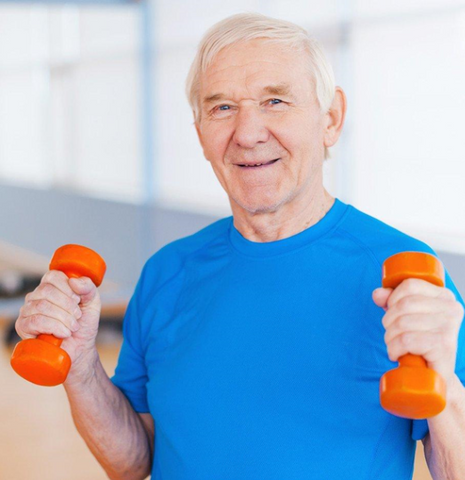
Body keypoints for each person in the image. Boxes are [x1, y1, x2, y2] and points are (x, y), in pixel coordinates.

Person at [14, 12, 465, 480]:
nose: (248, 134)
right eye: (222, 108)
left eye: (275, 101)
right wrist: (82, 367)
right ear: (200, 134)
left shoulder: (409, 281)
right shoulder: (167, 273)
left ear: (330, 119)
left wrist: (447, 388)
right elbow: (133, 462)